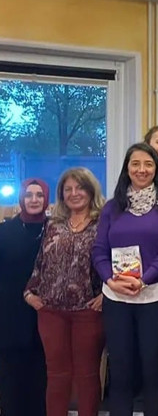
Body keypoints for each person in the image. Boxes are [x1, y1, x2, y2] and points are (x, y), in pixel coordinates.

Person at [91, 143, 158, 416]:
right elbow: (99, 250)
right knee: (120, 370)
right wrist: (110, 280)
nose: (142, 170)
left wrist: (143, 280)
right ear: (127, 169)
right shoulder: (112, 207)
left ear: (157, 169)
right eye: (135, 164)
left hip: (154, 297)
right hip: (116, 297)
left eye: (148, 164)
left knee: (152, 369)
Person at [24, 167, 106, 416]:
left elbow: (114, 261)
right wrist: (29, 293)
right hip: (50, 310)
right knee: (57, 375)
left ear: (90, 191)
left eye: (79, 187)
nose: (74, 193)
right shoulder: (53, 224)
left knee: (87, 375)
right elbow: (41, 262)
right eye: (68, 189)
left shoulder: (104, 223)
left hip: (88, 310)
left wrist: (106, 294)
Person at [0, 178, 49, 416]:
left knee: (41, 374)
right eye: (29, 195)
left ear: (46, 199)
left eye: (39, 195)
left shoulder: (55, 230)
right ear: (21, 198)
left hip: (45, 312)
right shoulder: (5, 231)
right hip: (10, 313)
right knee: (11, 376)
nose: (34, 200)